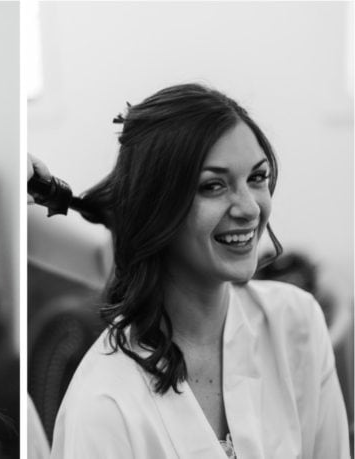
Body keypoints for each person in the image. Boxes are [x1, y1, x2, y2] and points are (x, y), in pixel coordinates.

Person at [40, 84, 349, 458]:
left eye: (257, 178)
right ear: (157, 208)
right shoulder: (103, 406)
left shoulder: (296, 324)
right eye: (213, 186)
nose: (250, 208)